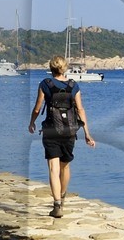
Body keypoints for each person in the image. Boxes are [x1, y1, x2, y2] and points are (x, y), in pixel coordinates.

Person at [28, 55, 95, 217]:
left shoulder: (46, 84)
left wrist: (32, 122)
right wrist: (87, 133)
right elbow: (80, 110)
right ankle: (62, 197)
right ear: (65, 68)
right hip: (70, 131)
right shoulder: (74, 86)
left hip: (51, 130)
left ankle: (57, 205)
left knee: (53, 167)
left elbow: (37, 108)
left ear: (51, 68)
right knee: (65, 166)